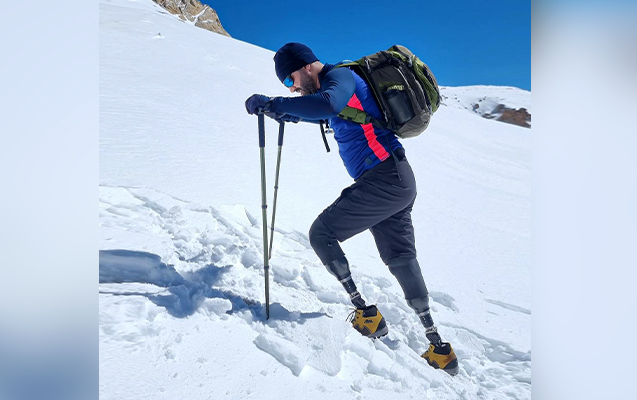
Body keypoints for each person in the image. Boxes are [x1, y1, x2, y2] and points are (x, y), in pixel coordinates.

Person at [245, 42, 458, 375]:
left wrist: (275, 103)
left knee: (322, 233)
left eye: (290, 80)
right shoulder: (333, 88)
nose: (292, 88)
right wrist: (286, 112)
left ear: (305, 66)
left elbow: (329, 104)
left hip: (385, 177)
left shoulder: (340, 77)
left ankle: (365, 313)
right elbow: (330, 111)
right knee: (400, 257)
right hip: (396, 180)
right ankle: (440, 349)